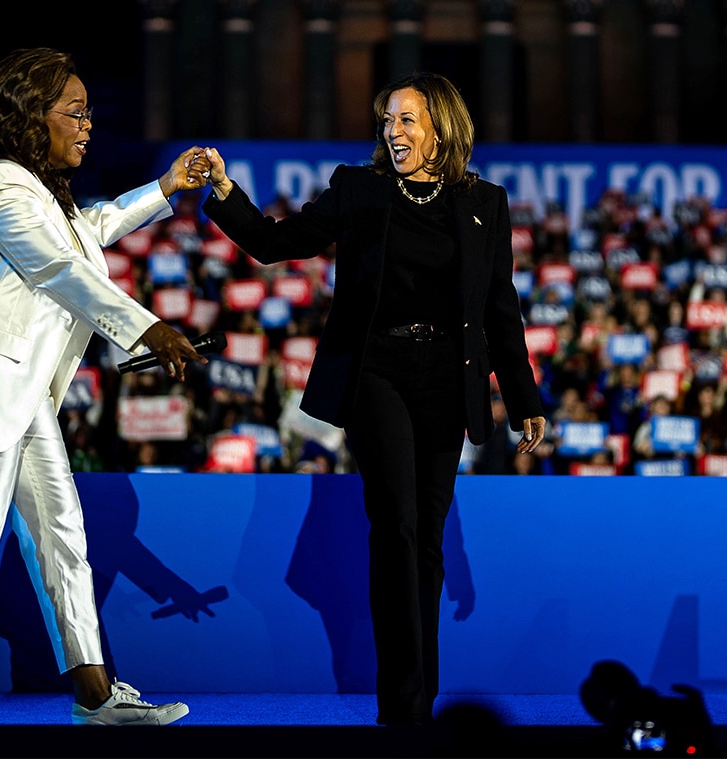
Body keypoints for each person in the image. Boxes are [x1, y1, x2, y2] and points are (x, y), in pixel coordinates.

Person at [200, 71, 546, 727]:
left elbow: (501, 310)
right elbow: (276, 243)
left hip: (449, 377)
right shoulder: (358, 190)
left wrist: (523, 393)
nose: (393, 132)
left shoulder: (486, 204)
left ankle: (423, 696)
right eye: (387, 121)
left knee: (428, 543)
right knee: (397, 527)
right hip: (376, 371)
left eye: (407, 120)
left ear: (441, 126)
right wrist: (223, 191)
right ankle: (403, 706)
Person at [0, 47, 210, 726]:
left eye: (89, 111)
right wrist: (148, 329)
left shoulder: (33, 187)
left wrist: (163, 188)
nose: (89, 124)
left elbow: (84, 233)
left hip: (21, 391)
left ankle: (94, 692)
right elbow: (57, 265)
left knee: (62, 533)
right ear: (33, 115)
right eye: (75, 111)